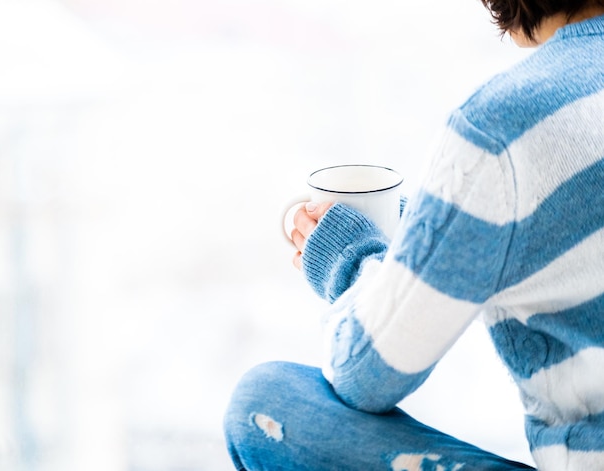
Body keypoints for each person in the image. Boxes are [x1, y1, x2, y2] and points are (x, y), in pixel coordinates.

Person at [223, 0, 604, 469]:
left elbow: (365, 373)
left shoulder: (503, 124)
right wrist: (426, 240)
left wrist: (351, 257)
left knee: (265, 402)